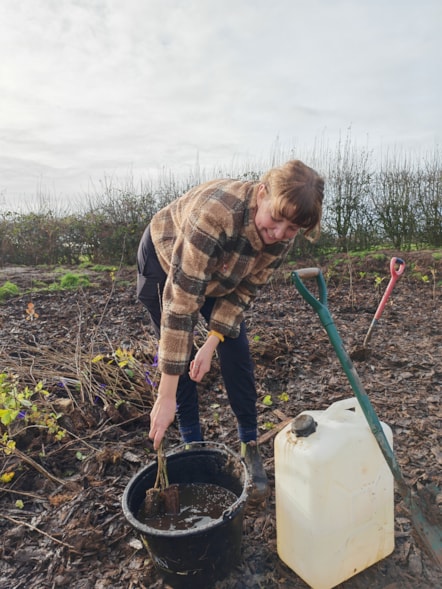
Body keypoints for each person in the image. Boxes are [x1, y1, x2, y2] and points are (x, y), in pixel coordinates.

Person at [137, 159, 324, 502]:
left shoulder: (280, 236)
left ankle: (249, 443)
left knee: (235, 347)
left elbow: (243, 292)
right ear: (262, 193)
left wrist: (213, 340)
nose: (280, 233)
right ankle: (192, 443)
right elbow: (181, 306)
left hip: (223, 272)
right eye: (276, 220)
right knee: (178, 356)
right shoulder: (216, 215)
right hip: (167, 260)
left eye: (292, 228)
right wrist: (164, 395)